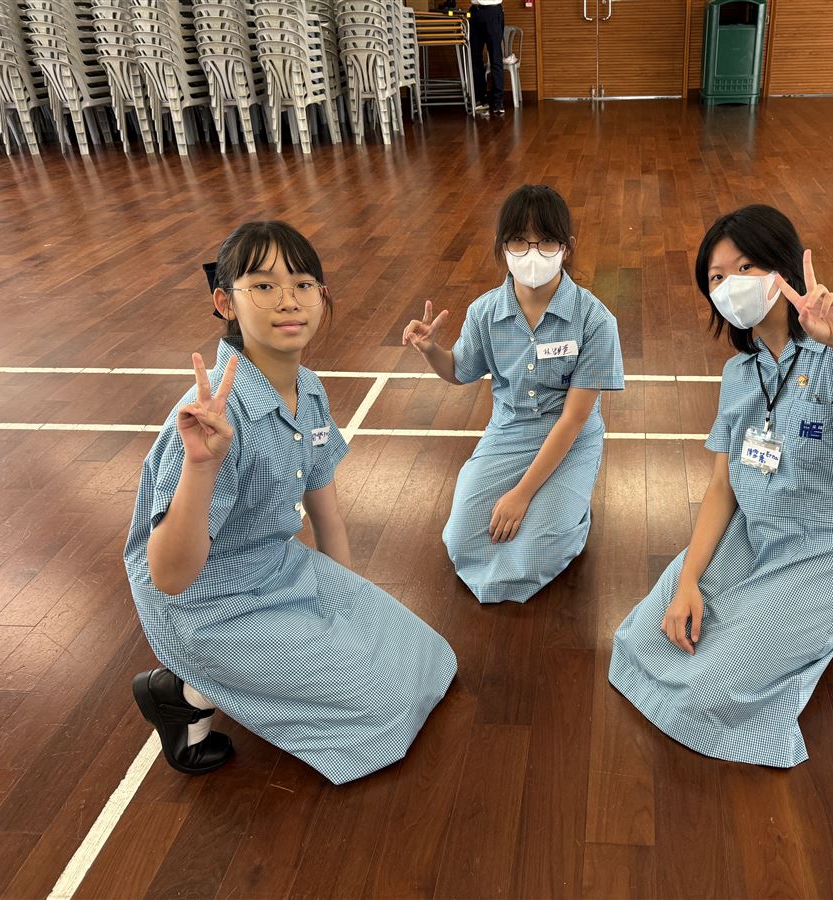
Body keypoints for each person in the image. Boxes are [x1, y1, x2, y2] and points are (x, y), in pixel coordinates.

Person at [609, 204, 833, 767]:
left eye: (745, 267)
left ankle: (828, 619)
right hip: (751, 537)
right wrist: (689, 579)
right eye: (716, 278)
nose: (731, 285)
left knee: (711, 690)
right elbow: (722, 485)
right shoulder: (739, 373)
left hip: (824, 555)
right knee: (640, 639)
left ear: (783, 268)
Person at [124, 221, 456, 784]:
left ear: (321, 298)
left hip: (277, 567)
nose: (288, 300)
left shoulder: (311, 389)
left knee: (428, 660)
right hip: (207, 605)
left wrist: (351, 606)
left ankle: (219, 681)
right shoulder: (210, 417)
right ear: (225, 302)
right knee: (384, 706)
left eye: (303, 284)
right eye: (263, 286)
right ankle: (182, 693)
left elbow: (325, 508)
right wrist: (201, 465)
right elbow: (170, 577)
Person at [403, 184, 624, 604]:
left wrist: (521, 495)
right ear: (502, 246)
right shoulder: (485, 312)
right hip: (509, 432)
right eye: (519, 241)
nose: (532, 254)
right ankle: (556, 506)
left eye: (547, 242)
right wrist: (431, 349)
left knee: (536, 550)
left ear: (567, 247)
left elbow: (575, 418)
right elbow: (459, 371)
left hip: (569, 438)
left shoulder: (596, 320)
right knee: (461, 538)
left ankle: (576, 514)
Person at [469, 0, 506, 116]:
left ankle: (498, 101)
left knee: (495, 57)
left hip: (493, 11)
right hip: (475, 11)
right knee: (474, 58)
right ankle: (480, 98)